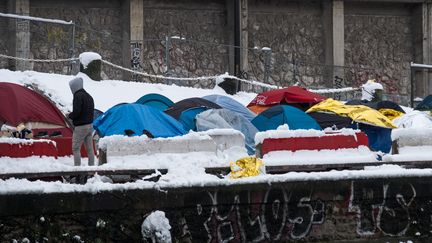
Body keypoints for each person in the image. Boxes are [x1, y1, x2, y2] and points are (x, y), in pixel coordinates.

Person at [68, 77, 95, 166]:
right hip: (90, 125)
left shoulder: (78, 96)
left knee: (76, 148)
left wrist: (70, 115)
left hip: (80, 127)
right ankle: (92, 169)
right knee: (90, 149)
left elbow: (77, 112)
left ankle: (77, 169)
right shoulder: (89, 96)